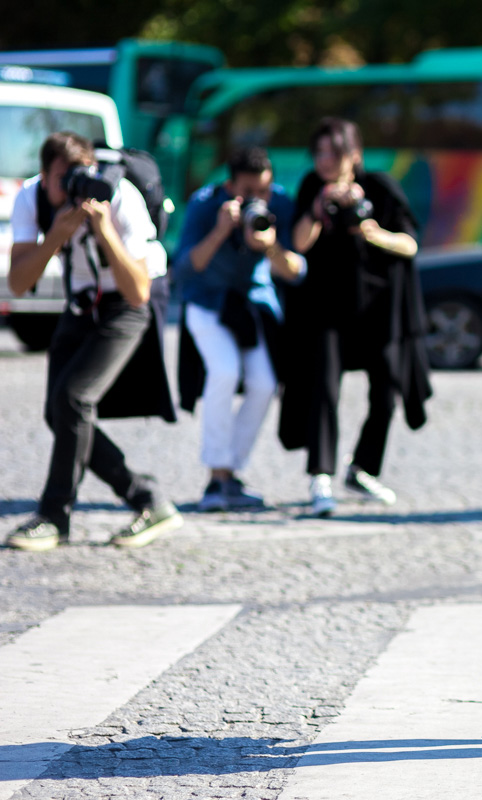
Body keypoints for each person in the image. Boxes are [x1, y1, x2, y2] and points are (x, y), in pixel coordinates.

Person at [5, 132, 180, 551]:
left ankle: (54, 515)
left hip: (127, 303)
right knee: (58, 411)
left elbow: (138, 292)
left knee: (74, 399)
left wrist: (105, 233)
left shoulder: (119, 198)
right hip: (82, 304)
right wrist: (55, 236)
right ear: (43, 176)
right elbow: (17, 281)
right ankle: (146, 497)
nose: (73, 187)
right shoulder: (31, 198)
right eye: (63, 179)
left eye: (80, 176)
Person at [279, 118, 432, 517]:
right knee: (324, 389)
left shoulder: (379, 187)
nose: (325, 160)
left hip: (378, 308)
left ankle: (363, 468)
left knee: (387, 389)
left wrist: (372, 231)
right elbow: (297, 244)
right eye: (320, 153)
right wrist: (318, 207)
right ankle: (320, 477)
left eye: (334, 152)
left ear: (354, 154)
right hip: (326, 308)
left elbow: (411, 244)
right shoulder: (313, 188)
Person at [174, 147, 306, 512]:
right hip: (209, 303)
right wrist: (220, 232)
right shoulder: (205, 204)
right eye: (248, 192)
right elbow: (185, 268)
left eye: (264, 191)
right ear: (230, 185)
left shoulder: (279, 204)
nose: (257, 200)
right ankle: (216, 478)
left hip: (252, 305)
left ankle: (231, 472)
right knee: (225, 372)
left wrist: (270, 248)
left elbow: (296, 271)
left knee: (264, 384)